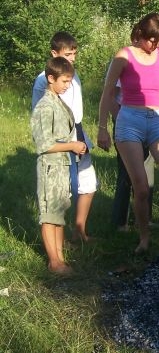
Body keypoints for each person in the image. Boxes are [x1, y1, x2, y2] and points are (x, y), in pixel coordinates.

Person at [97, 13, 159, 254]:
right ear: (140, 35)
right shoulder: (124, 56)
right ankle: (144, 238)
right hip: (130, 120)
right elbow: (108, 92)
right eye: (152, 40)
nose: (155, 45)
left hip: (157, 119)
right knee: (140, 187)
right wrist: (102, 128)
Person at [32, 32, 97, 242]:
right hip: (60, 139)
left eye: (74, 54)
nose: (73, 58)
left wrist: (80, 139)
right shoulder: (44, 80)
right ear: (54, 53)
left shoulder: (73, 75)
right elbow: (42, 115)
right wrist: (65, 143)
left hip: (78, 132)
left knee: (88, 183)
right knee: (62, 191)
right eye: (68, 54)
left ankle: (79, 230)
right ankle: (60, 243)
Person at [31, 57, 87, 274]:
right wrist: (72, 145)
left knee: (59, 212)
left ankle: (60, 258)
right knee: (49, 214)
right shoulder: (45, 106)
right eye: (64, 81)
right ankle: (54, 262)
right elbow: (44, 144)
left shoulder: (58, 102)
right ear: (50, 78)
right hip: (50, 167)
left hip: (62, 165)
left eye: (70, 81)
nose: (67, 86)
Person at [110, 77, 155, 231]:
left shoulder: (156, 64)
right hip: (126, 120)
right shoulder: (122, 65)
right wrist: (120, 121)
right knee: (126, 172)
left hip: (149, 120)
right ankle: (120, 221)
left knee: (148, 171)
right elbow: (111, 95)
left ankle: (144, 219)